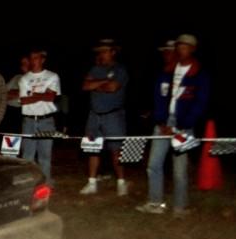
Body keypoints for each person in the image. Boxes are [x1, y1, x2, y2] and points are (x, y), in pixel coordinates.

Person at [136, 34, 210, 217]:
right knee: (153, 164)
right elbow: (158, 98)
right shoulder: (167, 72)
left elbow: (200, 104)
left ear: (192, 49)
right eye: (179, 46)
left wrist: (183, 125)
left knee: (179, 169)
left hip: (183, 126)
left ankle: (180, 207)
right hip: (162, 124)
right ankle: (155, 203)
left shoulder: (199, 74)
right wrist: (161, 121)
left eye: (185, 47)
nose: (181, 50)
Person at [79, 39, 130, 196]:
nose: (101, 54)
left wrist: (96, 85)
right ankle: (92, 182)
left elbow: (113, 87)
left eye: (104, 51)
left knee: (116, 150)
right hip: (94, 115)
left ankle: (121, 182)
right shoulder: (95, 68)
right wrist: (103, 83)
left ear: (113, 52)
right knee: (92, 148)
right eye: (99, 51)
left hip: (113, 115)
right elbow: (85, 86)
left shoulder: (120, 69)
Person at [19, 48, 61, 184]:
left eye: (36, 58)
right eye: (31, 58)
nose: (33, 61)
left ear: (42, 60)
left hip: (46, 120)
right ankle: (29, 184)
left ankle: (46, 183)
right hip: (29, 121)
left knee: (45, 156)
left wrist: (33, 94)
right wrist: (43, 94)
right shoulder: (24, 79)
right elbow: (24, 100)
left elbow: (51, 97)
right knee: (28, 156)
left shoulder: (52, 76)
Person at [2, 55, 29, 133]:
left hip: (22, 112)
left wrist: (14, 92)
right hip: (9, 110)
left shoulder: (33, 78)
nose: (23, 65)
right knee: (8, 138)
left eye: (25, 62)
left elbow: (26, 95)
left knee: (20, 137)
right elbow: (3, 92)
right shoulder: (17, 77)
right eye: (22, 63)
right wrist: (16, 93)